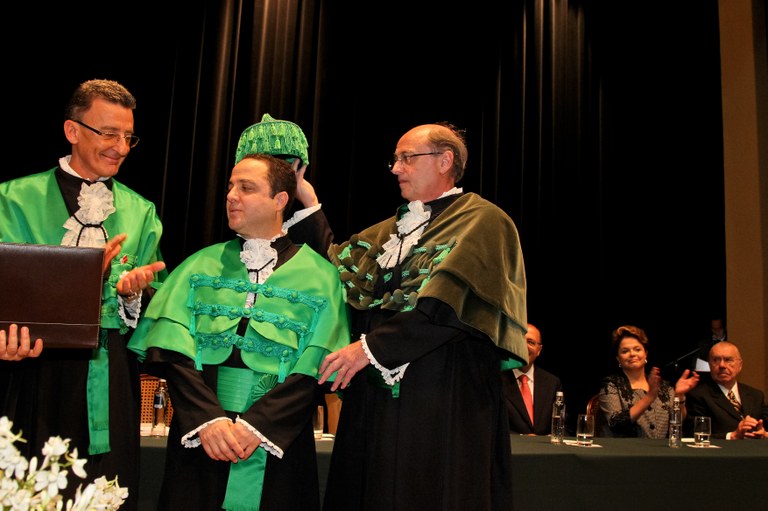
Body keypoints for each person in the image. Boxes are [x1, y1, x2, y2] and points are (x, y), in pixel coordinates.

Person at [315, 122, 528, 511]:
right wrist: (307, 201)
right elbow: (339, 268)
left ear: (446, 160)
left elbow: (450, 303)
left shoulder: (484, 221)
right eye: (395, 159)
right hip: (378, 398)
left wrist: (368, 349)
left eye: (407, 158)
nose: (395, 168)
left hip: (443, 393)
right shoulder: (391, 230)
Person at [127, 153, 351, 511]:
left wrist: (258, 427)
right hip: (200, 436)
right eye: (231, 186)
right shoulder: (199, 264)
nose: (231, 195)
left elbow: (316, 369)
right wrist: (207, 420)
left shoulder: (321, 276)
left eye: (246, 188)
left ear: (280, 200)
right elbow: (172, 353)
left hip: (279, 442)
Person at [0, 79, 166, 511]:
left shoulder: (141, 210)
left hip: (110, 376)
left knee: (108, 491)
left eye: (128, 136)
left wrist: (133, 296)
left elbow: (156, 303)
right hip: (31, 372)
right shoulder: (14, 198)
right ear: (73, 131)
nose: (121, 147)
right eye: (108, 133)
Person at [596, 325, 700, 438]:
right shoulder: (611, 384)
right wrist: (650, 396)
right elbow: (616, 424)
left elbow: (679, 423)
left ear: (645, 354)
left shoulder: (663, 386)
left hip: (660, 452)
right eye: (625, 351)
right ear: (618, 358)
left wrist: (679, 396)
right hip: (624, 451)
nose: (632, 354)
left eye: (637, 349)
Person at [685, 341, 767, 439]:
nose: (722, 365)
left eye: (728, 360)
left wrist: (764, 434)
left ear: (740, 365)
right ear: (710, 365)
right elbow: (694, 435)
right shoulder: (698, 395)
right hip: (721, 453)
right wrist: (732, 436)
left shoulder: (756, 395)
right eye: (716, 360)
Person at [501, 323, 564, 435]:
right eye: (520, 341)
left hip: (545, 451)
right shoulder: (496, 379)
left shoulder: (552, 383)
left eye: (530, 342)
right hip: (510, 449)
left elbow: (563, 425)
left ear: (539, 350)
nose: (524, 346)